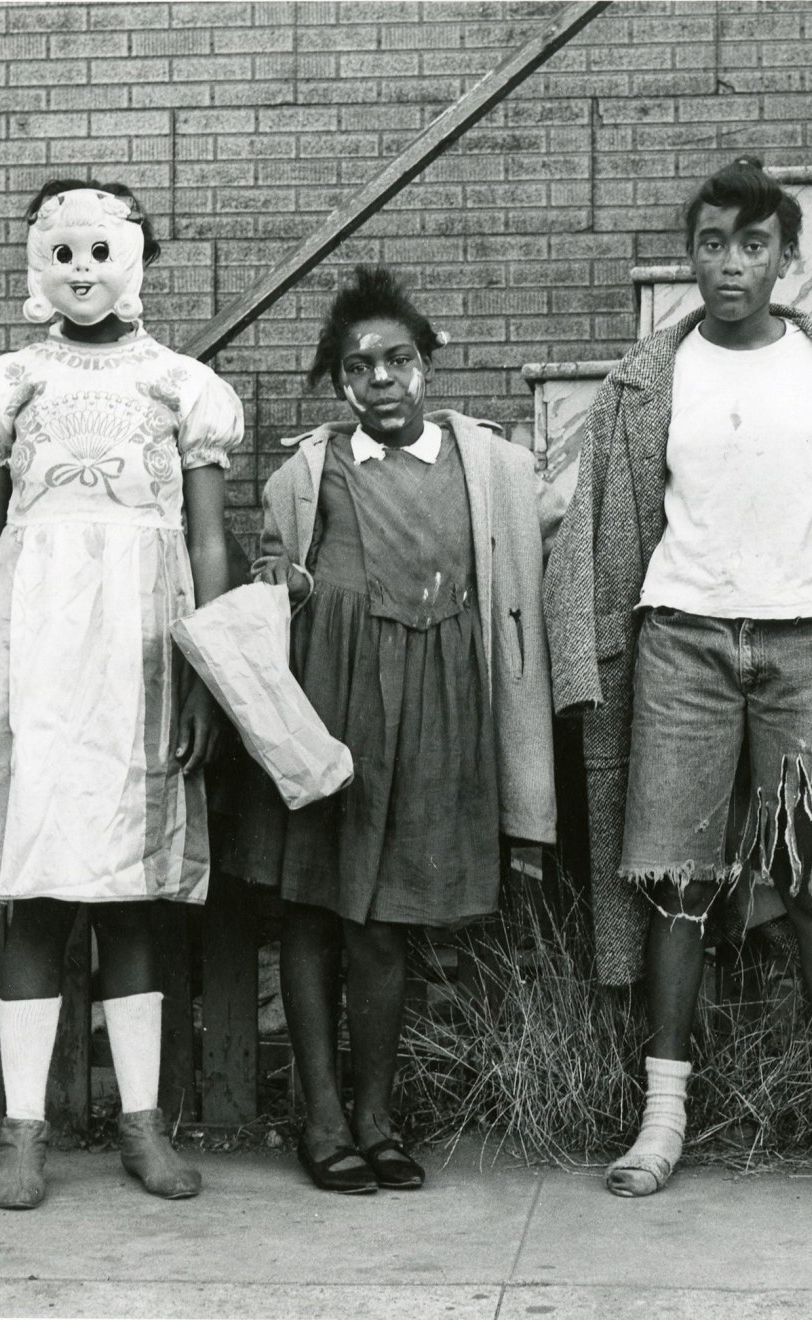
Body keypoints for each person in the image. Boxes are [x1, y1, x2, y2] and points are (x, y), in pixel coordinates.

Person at [543, 157, 812, 1202]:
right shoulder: (651, 378)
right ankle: (661, 1122)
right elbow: (603, 528)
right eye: (712, 243)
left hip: (809, 646)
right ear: (692, 253)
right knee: (677, 880)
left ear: (787, 259)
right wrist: (591, 651)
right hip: (684, 644)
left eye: (754, 245)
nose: (731, 263)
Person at [0, 181, 243, 1209]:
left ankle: (143, 1124)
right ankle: (21, 1130)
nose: (82, 272)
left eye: (101, 251)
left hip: (141, 652)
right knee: (40, 889)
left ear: (137, 257)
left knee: (133, 892)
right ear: (37, 263)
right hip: (34, 657)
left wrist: (209, 676)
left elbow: (203, 541)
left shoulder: (179, 386)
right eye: (62, 254)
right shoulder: (10, 384)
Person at [241, 265, 556, 1194]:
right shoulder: (312, 472)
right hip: (331, 709)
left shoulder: (486, 467)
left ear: (427, 366)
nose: (378, 379)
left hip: (433, 715)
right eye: (356, 366)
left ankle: (376, 1118)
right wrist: (283, 584)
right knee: (311, 911)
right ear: (337, 383)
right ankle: (323, 1119)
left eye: (397, 360)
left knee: (385, 924)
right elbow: (283, 570)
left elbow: (521, 570)